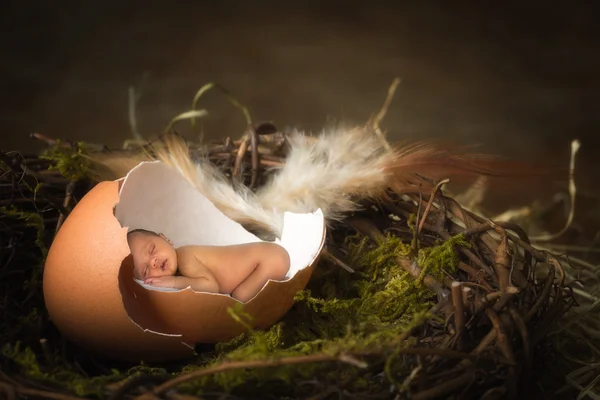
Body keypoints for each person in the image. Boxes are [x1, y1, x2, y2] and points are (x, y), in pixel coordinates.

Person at [126, 229, 291, 303]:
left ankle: (280, 286)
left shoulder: (185, 256)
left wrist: (173, 282)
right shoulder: (181, 269)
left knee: (239, 299)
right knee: (239, 297)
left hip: (270, 258)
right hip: (267, 260)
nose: (153, 261)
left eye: (152, 249)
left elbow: (211, 286)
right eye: (146, 269)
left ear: (166, 239)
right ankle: (279, 284)